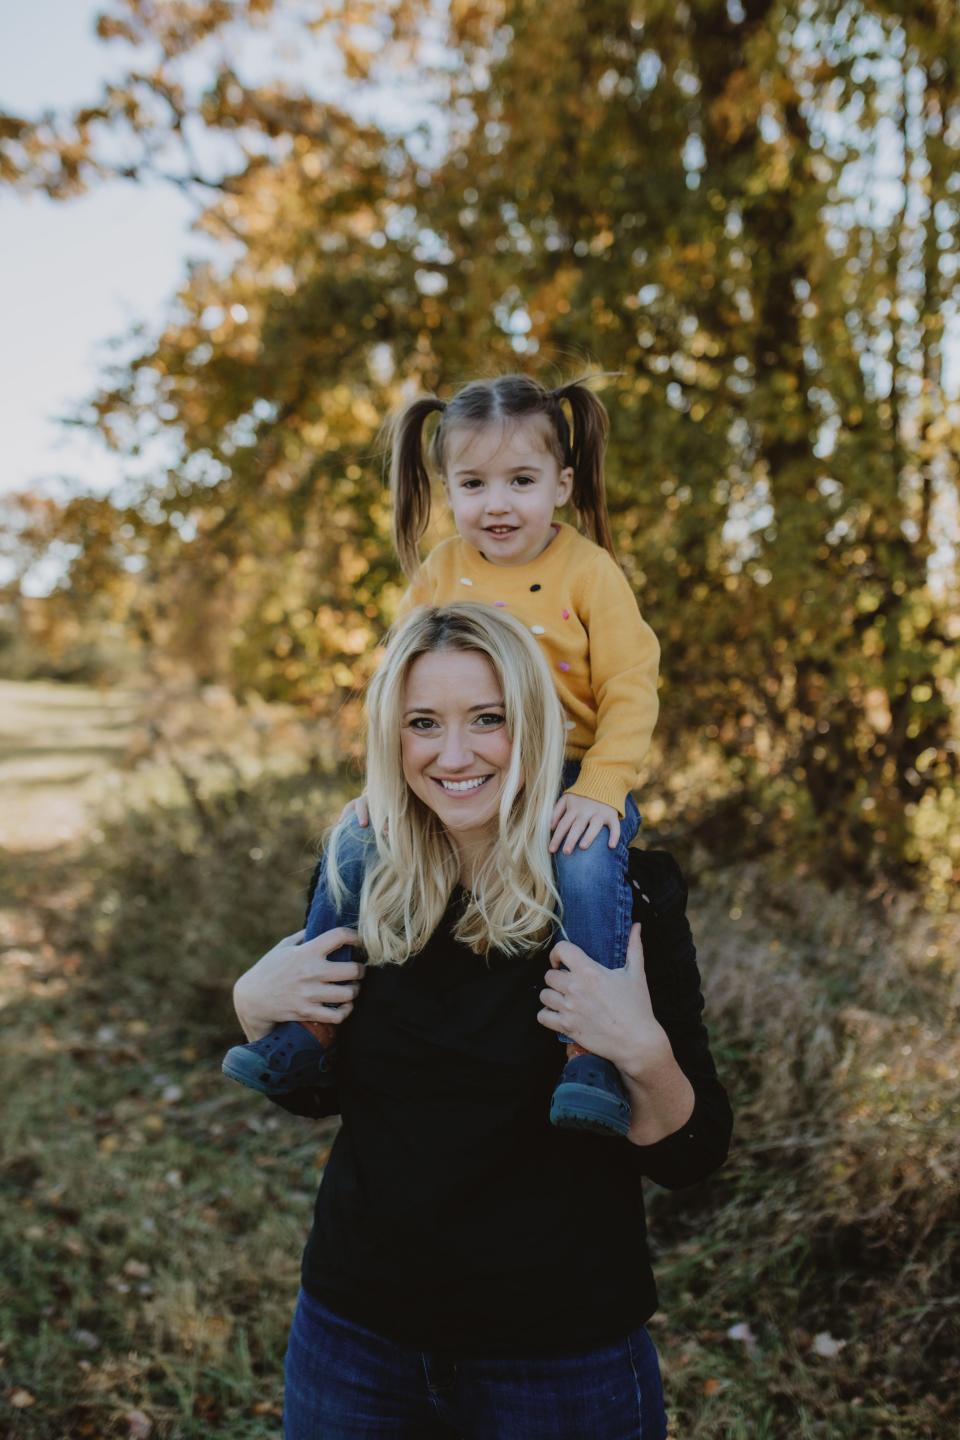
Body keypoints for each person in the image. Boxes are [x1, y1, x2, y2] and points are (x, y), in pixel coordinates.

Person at [230, 603, 732, 1440]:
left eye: (488, 720)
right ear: (392, 736)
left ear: (532, 726)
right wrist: (255, 1010)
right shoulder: (365, 881)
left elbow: (693, 1154)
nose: (453, 754)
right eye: (423, 722)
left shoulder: (616, 900)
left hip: (558, 1358)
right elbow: (325, 1099)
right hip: (355, 1337)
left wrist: (640, 1051)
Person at [224, 374, 661, 1138]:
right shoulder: (439, 571)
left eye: (520, 481)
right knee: (353, 840)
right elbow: (400, 697)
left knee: (588, 865)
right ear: (446, 488)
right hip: (470, 767)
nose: (497, 504)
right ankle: (309, 1032)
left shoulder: (589, 572)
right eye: (473, 483)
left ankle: (588, 1056)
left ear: (560, 485)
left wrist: (602, 788)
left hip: (574, 773)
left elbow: (631, 685)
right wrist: (381, 787)